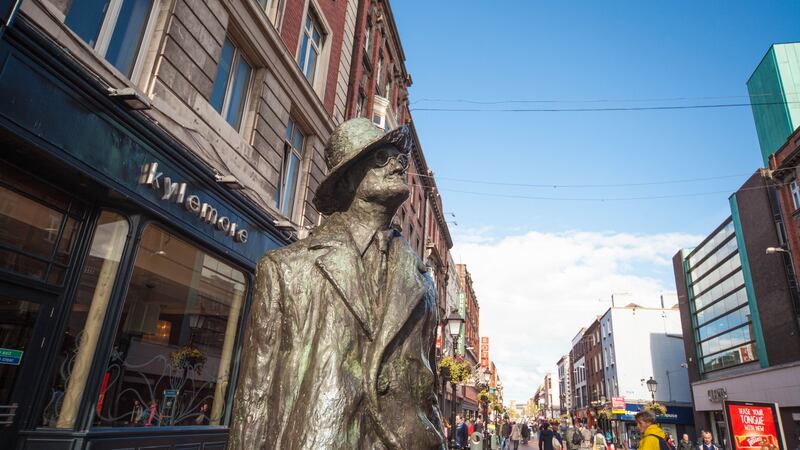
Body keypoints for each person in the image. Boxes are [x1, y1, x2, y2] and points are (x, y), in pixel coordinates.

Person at [228, 119, 445, 449]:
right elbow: (254, 397)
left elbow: (425, 386)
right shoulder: (285, 268)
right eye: (381, 157)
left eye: (399, 157)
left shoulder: (421, 281)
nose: (399, 163)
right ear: (348, 177)